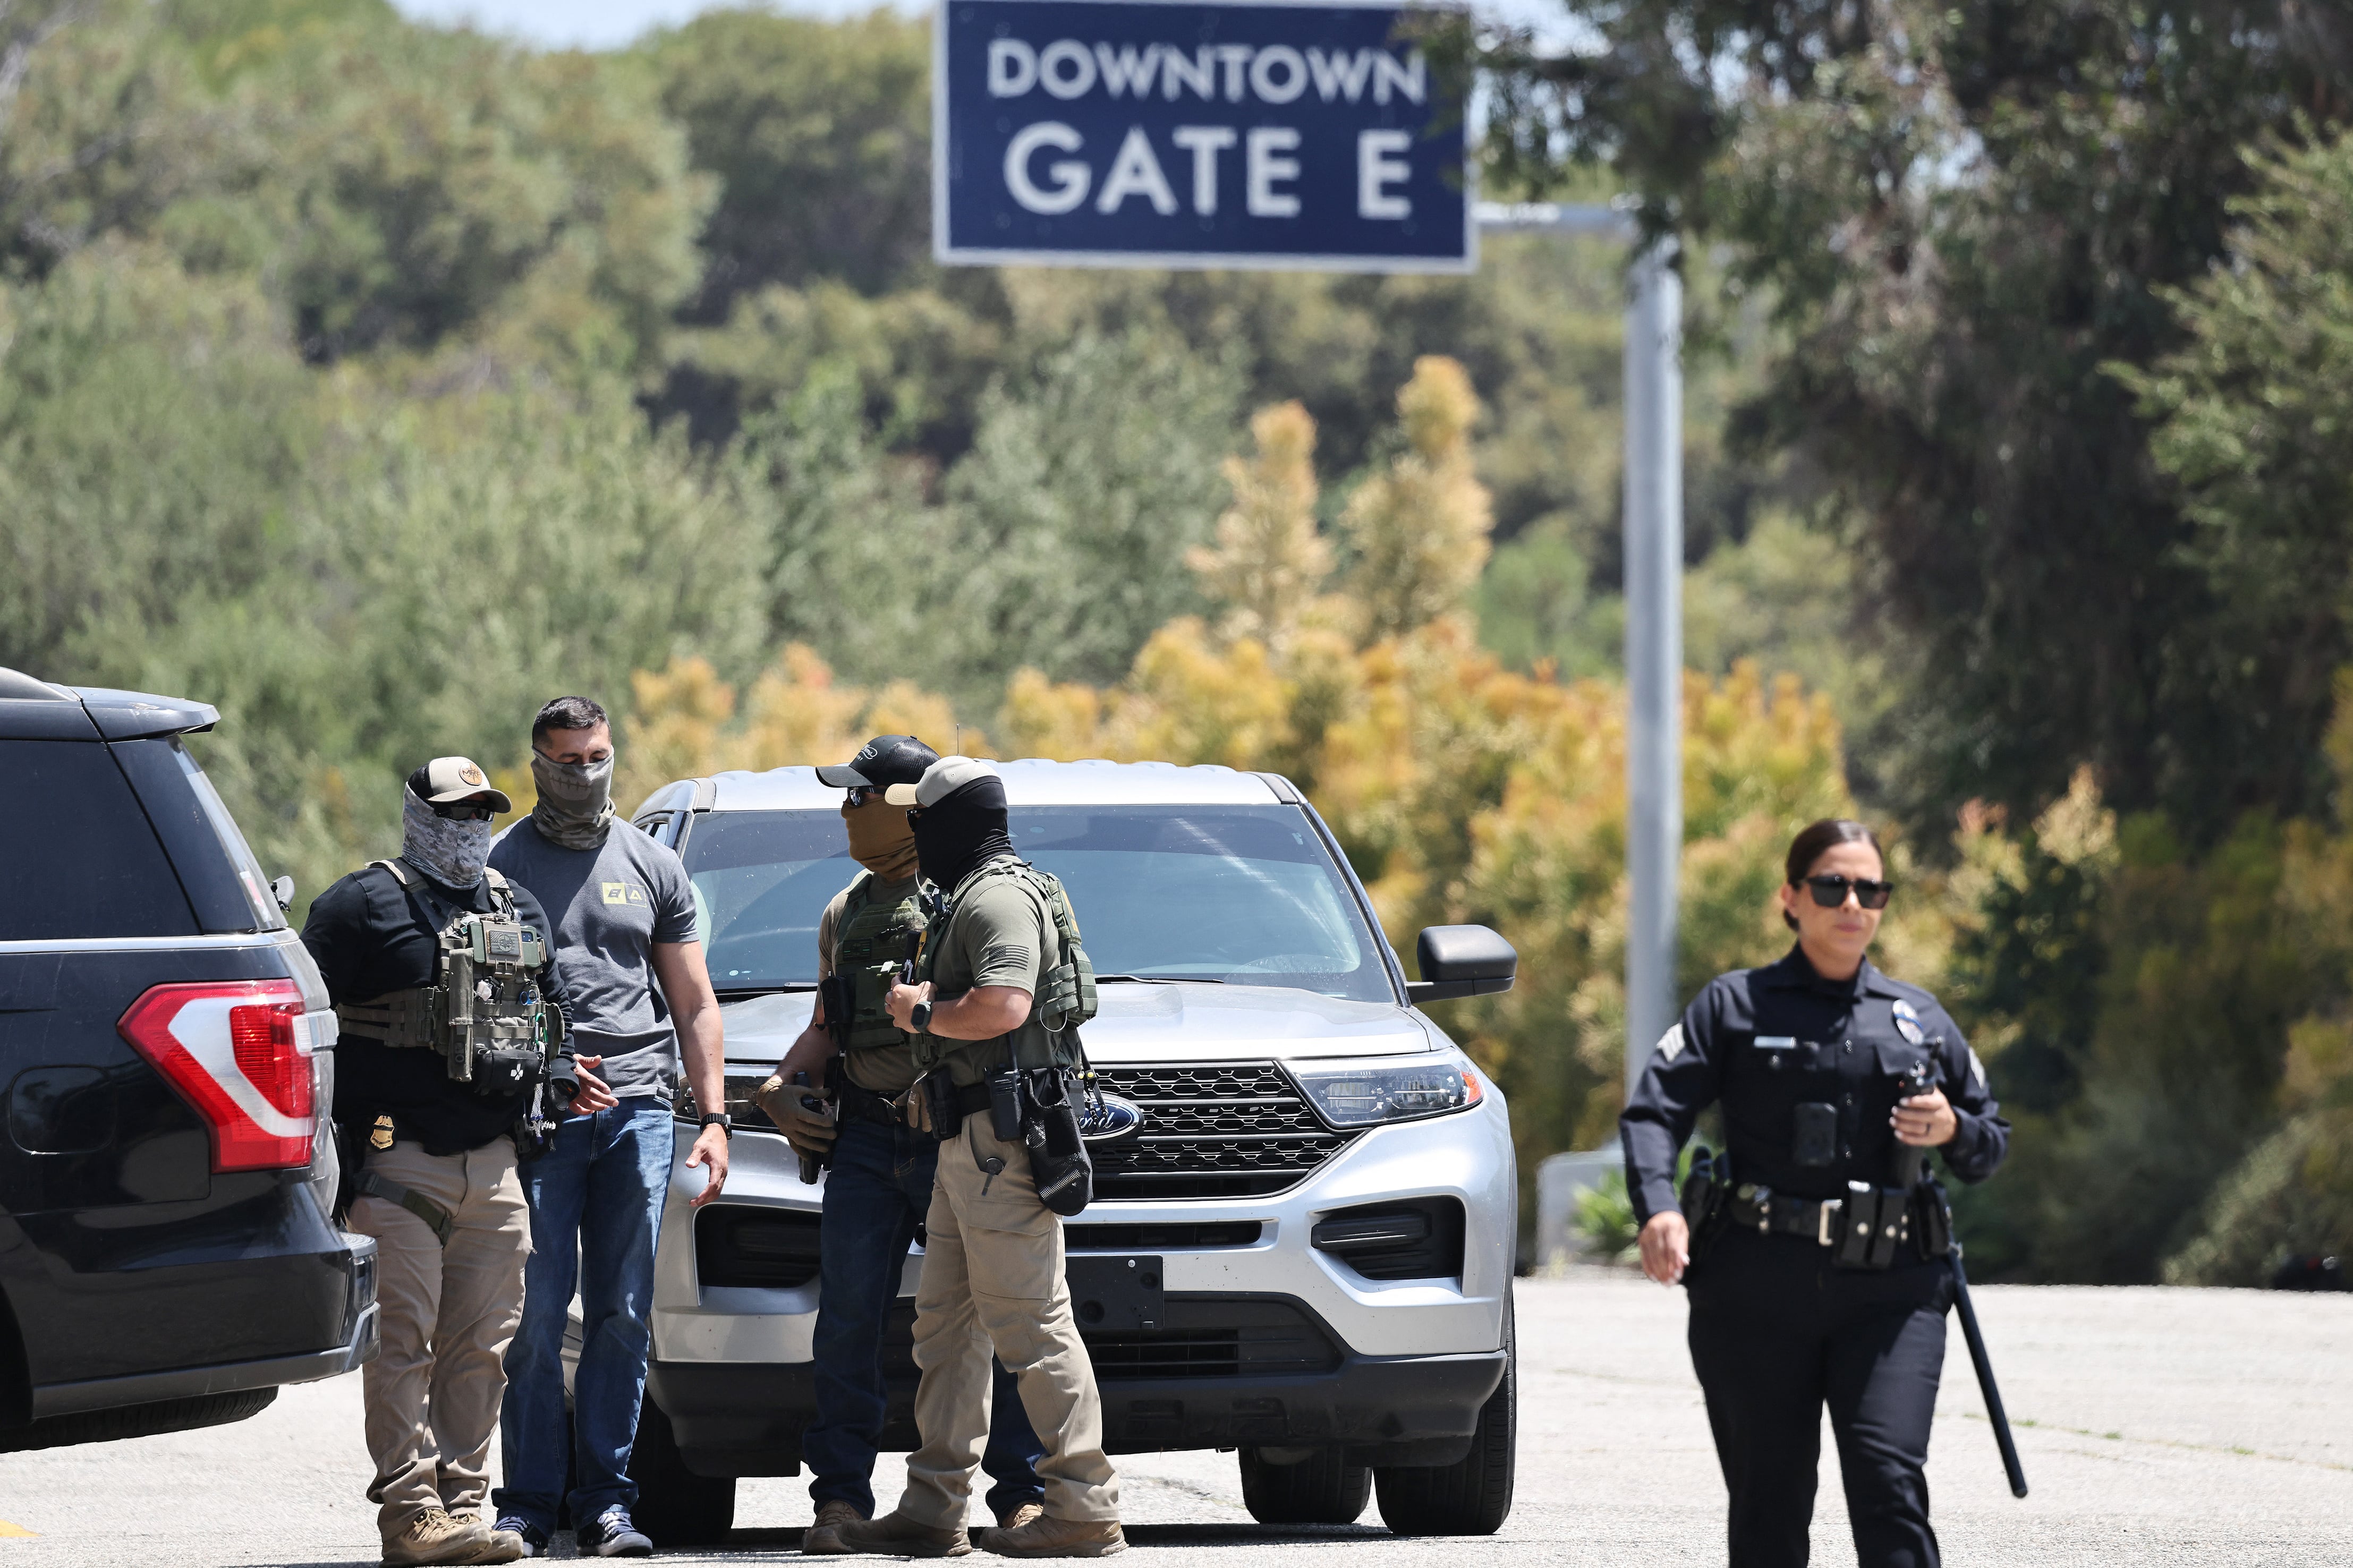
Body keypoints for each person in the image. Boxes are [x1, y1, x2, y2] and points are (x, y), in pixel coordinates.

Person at [1621, 818, 2010, 1568]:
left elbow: (1988, 1144)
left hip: (1892, 1291)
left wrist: (1952, 1127)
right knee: (1768, 1505)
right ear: (1791, 898)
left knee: (1888, 1484)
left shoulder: (1917, 1018)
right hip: (1755, 1291)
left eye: (1871, 889)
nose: (1852, 903)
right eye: (1832, 885)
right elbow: (1653, 1112)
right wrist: (1657, 1206)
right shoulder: (1732, 1007)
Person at [757, 736, 1049, 1555]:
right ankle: (841, 1502)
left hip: (953, 1137)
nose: (846, 811)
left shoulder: (967, 897)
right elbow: (827, 1023)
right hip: (863, 1141)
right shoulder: (845, 909)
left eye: (860, 796)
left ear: (904, 805)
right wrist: (781, 1089)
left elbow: (1004, 1002)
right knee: (846, 1325)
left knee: (989, 1318)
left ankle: (1021, 1495)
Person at [835, 756, 1124, 1560]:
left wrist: (919, 1009)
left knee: (1031, 1326)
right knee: (946, 1327)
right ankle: (934, 1508)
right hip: (967, 1140)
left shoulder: (994, 896)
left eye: (923, 824)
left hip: (1000, 1142)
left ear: (949, 823)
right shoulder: (971, 891)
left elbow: (1003, 1006)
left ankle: (1083, 1505)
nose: (914, 840)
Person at [303, 757, 574, 1567]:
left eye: (481, 813)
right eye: (453, 813)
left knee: (484, 1348)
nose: (468, 830)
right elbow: (303, 1024)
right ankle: (410, 1512)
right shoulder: (359, 905)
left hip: (495, 1164)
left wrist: (557, 1080)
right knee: (403, 1344)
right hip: (398, 1162)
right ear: (417, 813)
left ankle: (465, 1505)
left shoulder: (516, 906)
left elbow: (552, 1014)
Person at [489, 697, 732, 1559]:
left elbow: (693, 1002)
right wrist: (547, 1067)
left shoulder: (653, 864)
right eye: (565, 761)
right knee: (535, 1315)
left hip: (639, 1116)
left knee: (625, 1313)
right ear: (536, 764)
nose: (583, 775)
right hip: (543, 1124)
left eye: (596, 758)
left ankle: (607, 1503)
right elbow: (484, 1012)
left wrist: (713, 1118)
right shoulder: (499, 867)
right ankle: (524, 1502)